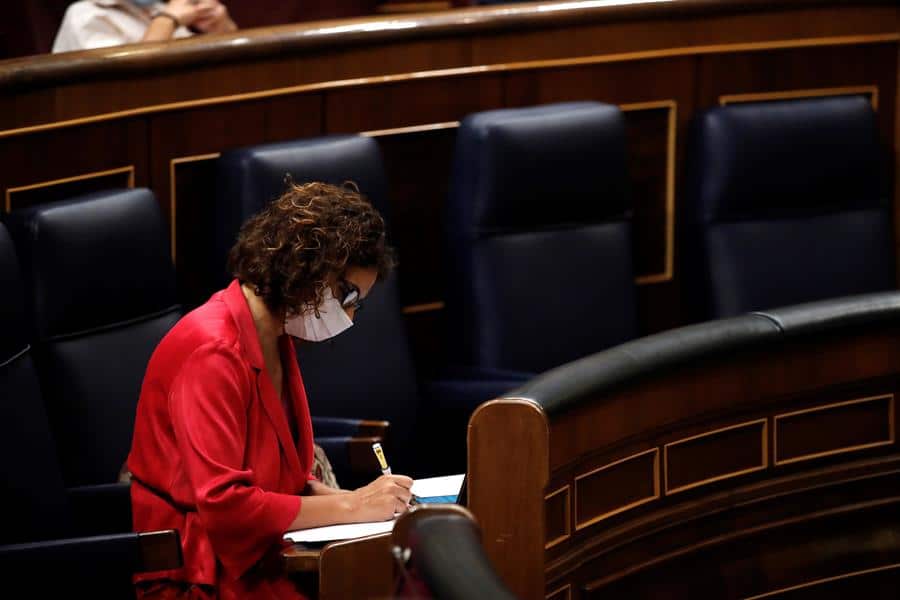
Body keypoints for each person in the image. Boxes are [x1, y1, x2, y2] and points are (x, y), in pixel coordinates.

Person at [127, 182, 413, 599]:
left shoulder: (275, 336)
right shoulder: (213, 351)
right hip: (199, 574)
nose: (351, 314)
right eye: (348, 295)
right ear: (308, 268)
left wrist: (368, 501)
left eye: (360, 303)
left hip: (265, 557)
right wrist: (353, 506)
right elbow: (227, 508)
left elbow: (286, 485)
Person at [52, 0, 237, 53]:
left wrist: (221, 26)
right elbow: (126, 86)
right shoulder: (85, 14)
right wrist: (168, 20)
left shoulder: (159, 8)